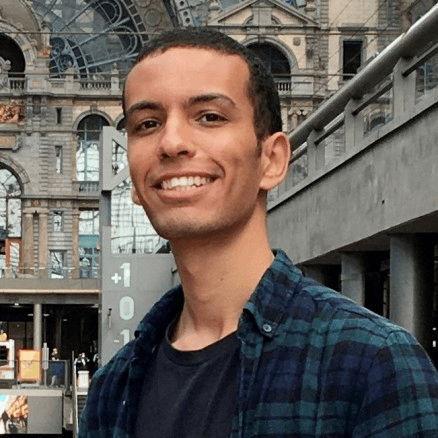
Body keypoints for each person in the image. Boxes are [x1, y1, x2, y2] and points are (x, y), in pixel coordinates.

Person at [79, 27, 438, 437]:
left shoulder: (372, 364)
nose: (171, 142)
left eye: (210, 117)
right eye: (147, 123)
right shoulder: (113, 389)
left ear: (272, 160)